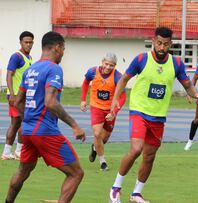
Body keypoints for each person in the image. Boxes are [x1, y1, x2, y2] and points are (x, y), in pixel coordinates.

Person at [107, 27, 198, 203]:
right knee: (136, 149)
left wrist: (196, 94)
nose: (161, 47)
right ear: (153, 41)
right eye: (159, 43)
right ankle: (116, 188)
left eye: (165, 44)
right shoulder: (141, 59)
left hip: (158, 116)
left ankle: (136, 193)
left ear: (170, 44)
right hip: (139, 111)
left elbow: (187, 86)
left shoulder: (176, 63)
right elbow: (123, 79)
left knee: (150, 156)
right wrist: (115, 100)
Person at [5, 31, 86, 203]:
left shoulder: (30, 70)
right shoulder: (54, 68)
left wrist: (29, 118)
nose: (63, 53)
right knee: (76, 173)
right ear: (57, 47)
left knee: (23, 171)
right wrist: (74, 125)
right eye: (63, 49)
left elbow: (18, 101)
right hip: (44, 131)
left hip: (27, 130)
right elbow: (50, 102)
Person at [80, 53, 126, 171]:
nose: (108, 67)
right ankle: (102, 162)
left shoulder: (117, 77)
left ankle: (95, 148)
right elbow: (85, 83)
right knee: (97, 134)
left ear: (115, 66)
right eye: (106, 64)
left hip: (110, 110)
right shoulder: (92, 72)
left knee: (104, 138)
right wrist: (83, 100)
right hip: (96, 107)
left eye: (111, 65)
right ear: (102, 62)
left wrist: (114, 111)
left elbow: (123, 96)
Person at [2, 31, 34, 160]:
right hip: (17, 97)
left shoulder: (29, 58)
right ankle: (19, 151)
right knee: (23, 123)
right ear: (20, 42)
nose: (28, 44)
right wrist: (11, 94)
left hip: (24, 96)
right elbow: (9, 75)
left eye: (30, 42)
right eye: (26, 42)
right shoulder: (16, 57)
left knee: (16, 124)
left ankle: (7, 152)